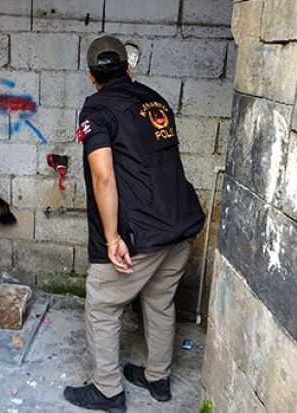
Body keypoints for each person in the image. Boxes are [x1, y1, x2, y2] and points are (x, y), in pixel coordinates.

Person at [63, 36, 205, 413]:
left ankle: (107, 390)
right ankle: (157, 378)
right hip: (180, 223)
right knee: (159, 302)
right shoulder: (156, 101)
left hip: (140, 233)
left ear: (91, 76)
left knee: (102, 304)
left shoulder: (96, 109)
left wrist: (112, 239)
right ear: (128, 68)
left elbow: (103, 176)